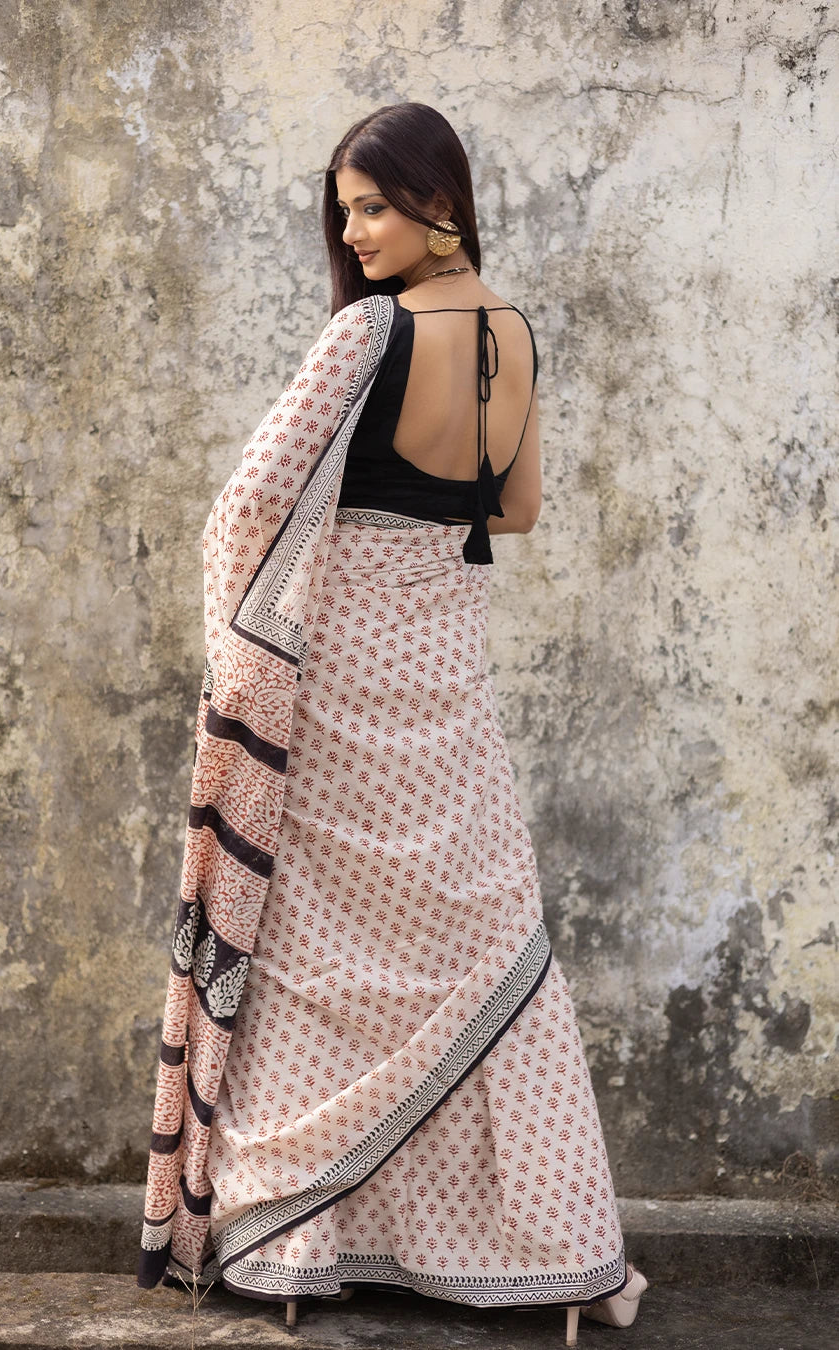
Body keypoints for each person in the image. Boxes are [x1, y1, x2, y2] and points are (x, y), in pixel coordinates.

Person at [137, 102, 647, 1346]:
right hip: (450, 694)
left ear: (442, 203)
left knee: (315, 967)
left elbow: (244, 507)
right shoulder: (512, 336)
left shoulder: (368, 334)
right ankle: (556, 1252)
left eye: (374, 204)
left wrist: (249, 654)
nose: (354, 231)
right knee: (488, 963)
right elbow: (512, 510)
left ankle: (305, 1245)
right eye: (346, 207)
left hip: (341, 691)